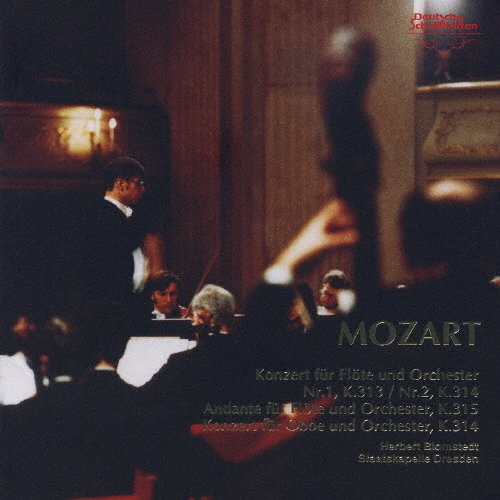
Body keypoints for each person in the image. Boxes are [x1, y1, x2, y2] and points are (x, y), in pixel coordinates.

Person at [82, 156, 148, 308]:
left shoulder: (122, 216)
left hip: (125, 302)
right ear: (120, 184)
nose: (143, 189)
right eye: (139, 183)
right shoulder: (103, 217)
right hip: (110, 305)